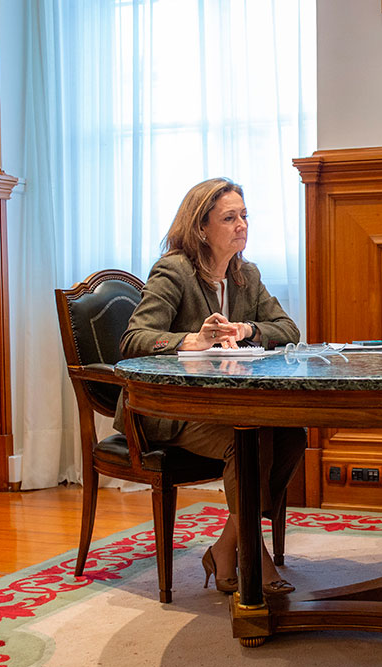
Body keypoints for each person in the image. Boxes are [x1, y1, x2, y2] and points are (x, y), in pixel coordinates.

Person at [115, 177, 304, 596]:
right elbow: (133, 340)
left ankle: (224, 547)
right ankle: (254, 554)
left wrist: (247, 328)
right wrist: (193, 340)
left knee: (291, 433)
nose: (242, 225)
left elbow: (288, 329)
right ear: (202, 228)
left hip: (225, 405)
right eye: (229, 218)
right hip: (169, 409)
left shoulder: (245, 275)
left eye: (244, 216)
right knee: (248, 442)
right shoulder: (175, 271)